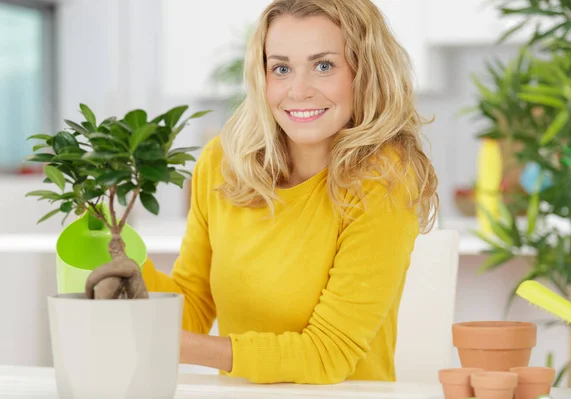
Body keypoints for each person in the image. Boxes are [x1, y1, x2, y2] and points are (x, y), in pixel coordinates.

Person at [141, 0, 439, 385]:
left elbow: (328, 354)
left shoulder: (383, 178)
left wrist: (175, 345)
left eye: (324, 66)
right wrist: (126, 266)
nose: (298, 91)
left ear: (365, 72)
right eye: (281, 68)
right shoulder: (224, 162)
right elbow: (192, 309)